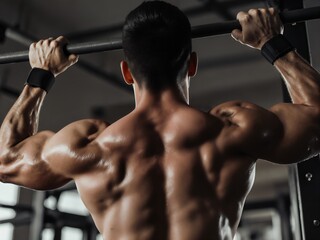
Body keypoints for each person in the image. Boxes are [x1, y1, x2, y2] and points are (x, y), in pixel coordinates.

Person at [1, 1, 320, 239]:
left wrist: (41, 74)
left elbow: (6, 158)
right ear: (192, 64)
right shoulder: (232, 130)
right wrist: (272, 43)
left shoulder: (87, 147)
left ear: (126, 72)